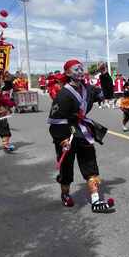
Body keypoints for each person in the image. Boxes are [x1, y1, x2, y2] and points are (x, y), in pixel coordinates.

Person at [47, 59, 114, 212]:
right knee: (66, 168)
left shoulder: (89, 89)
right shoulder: (63, 94)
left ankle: (96, 201)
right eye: (75, 69)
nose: (79, 72)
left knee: (90, 164)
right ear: (68, 73)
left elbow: (108, 95)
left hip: (83, 131)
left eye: (81, 69)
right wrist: (62, 140)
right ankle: (65, 194)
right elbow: (55, 122)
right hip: (67, 133)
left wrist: (104, 74)